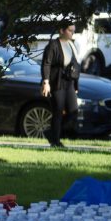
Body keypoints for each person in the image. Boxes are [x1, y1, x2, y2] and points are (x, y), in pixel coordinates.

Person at [40, 20, 80, 148]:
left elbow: (75, 65)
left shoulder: (71, 44)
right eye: (70, 30)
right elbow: (46, 63)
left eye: (73, 31)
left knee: (73, 111)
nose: (72, 33)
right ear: (61, 31)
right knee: (58, 111)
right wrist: (46, 82)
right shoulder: (53, 45)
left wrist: (75, 85)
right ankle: (55, 141)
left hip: (68, 83)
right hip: (56, 81)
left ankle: (51, 133)